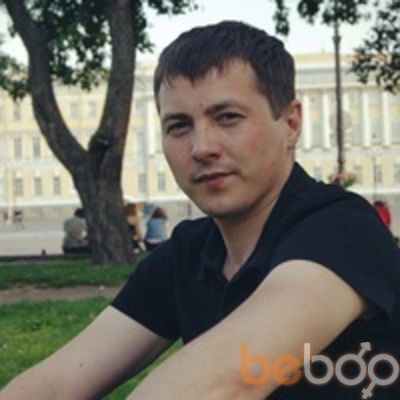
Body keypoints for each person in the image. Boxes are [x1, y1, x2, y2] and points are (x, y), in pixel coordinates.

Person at [2, 21, 400, 400]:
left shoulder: (343, 231)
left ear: (291, 123)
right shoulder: (188, 255)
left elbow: (226, 381)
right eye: (179, 125)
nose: (202, 147)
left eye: (228, 118)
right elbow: (58, 383)